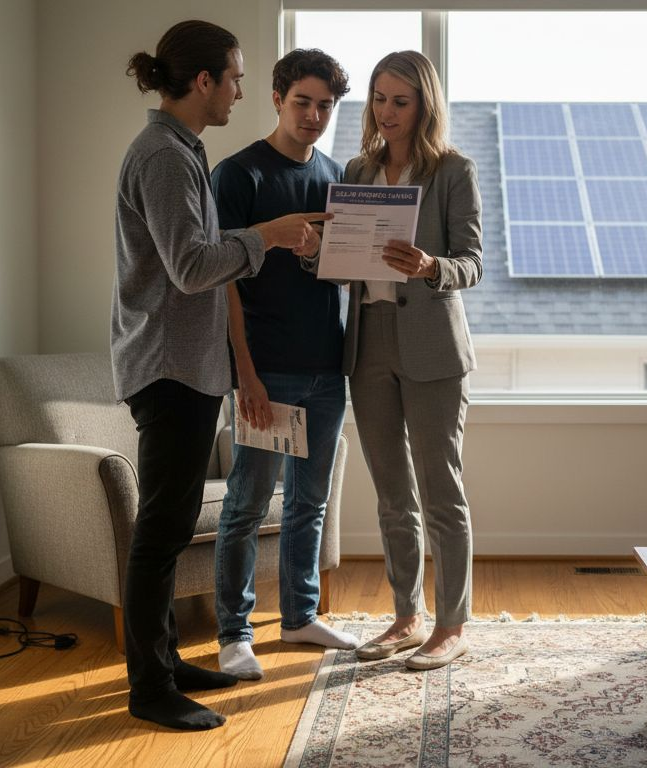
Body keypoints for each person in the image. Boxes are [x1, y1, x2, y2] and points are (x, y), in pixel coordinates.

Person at [112, 20, 330, 731]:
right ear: (202, 81)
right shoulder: (166, 157)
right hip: (169, 367)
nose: (241, 88)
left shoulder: (180, 149)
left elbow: (195, 259)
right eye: (235, 77)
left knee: (170, 528)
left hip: (187, 366)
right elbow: (193, 266)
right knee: (161, 529)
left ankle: (168, 662)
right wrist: (268, 233)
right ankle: (149, 688)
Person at [209, 49, 357, 681]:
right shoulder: (238, 176)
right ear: (276, 97)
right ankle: (233, 633)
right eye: (303, 101)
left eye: (326, 105)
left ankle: (298, 616)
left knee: (309, 503)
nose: (315, 115)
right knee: (246, 503)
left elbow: (338, 272)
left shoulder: (334, 176)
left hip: (328, 365)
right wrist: (245, 371)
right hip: (265, 367)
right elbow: (223, 283)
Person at [342, 51, 483, 670]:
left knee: (439, 490)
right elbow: (346, 262)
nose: (387, 111)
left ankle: (452, 625)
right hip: (366, 341)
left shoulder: (453, 170)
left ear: (423, 105)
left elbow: (472, 263)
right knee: (391, 494)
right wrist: (319, 251)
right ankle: (407, 616)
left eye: (401, 100)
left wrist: (431, 267)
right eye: (379, 98)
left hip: (431, 343)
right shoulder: (356, 169)